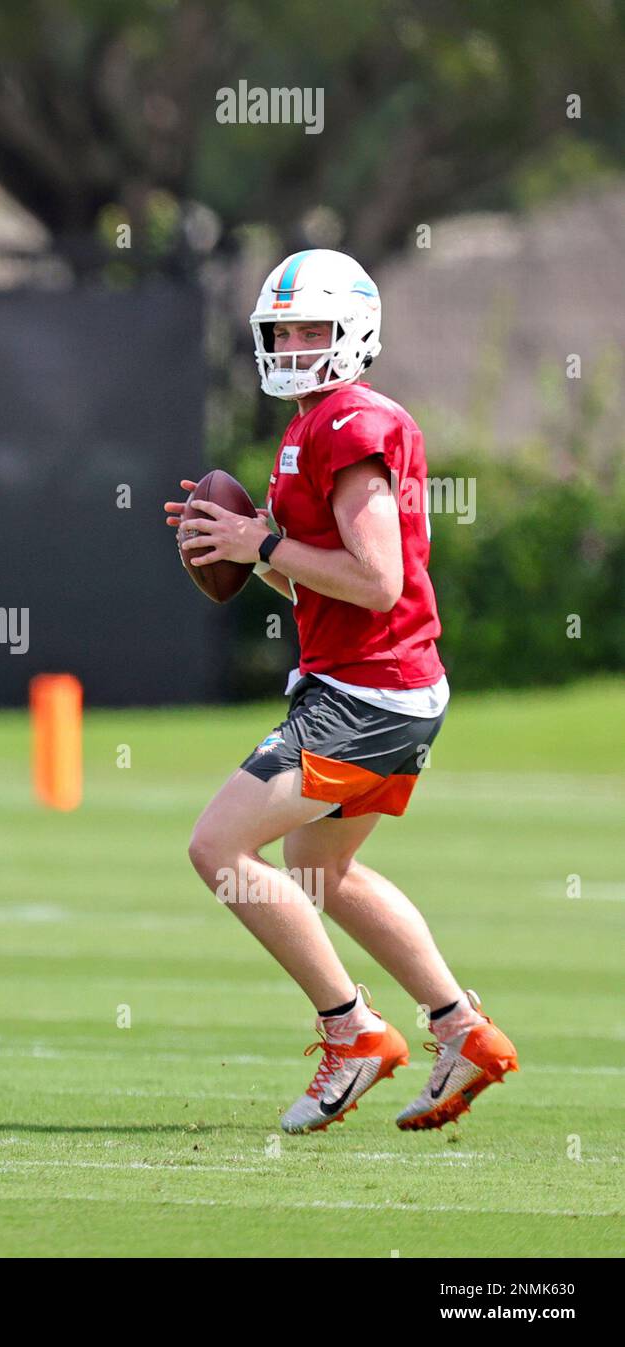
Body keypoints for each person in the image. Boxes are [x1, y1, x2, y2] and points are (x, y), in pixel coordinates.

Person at [162, 250, 517, 1132]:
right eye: (282, 329)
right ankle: (460, 1026)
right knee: (321, 867)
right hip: (389, 685)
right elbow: (333, 584)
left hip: (366, 693)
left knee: (218, 849)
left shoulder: (345, 423)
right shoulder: (317, 421)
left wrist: (262, 545)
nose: (292, 343)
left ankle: (352, 1029)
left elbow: (377, 579)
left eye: (311, 328)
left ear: (354, 331)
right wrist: (242, 549)